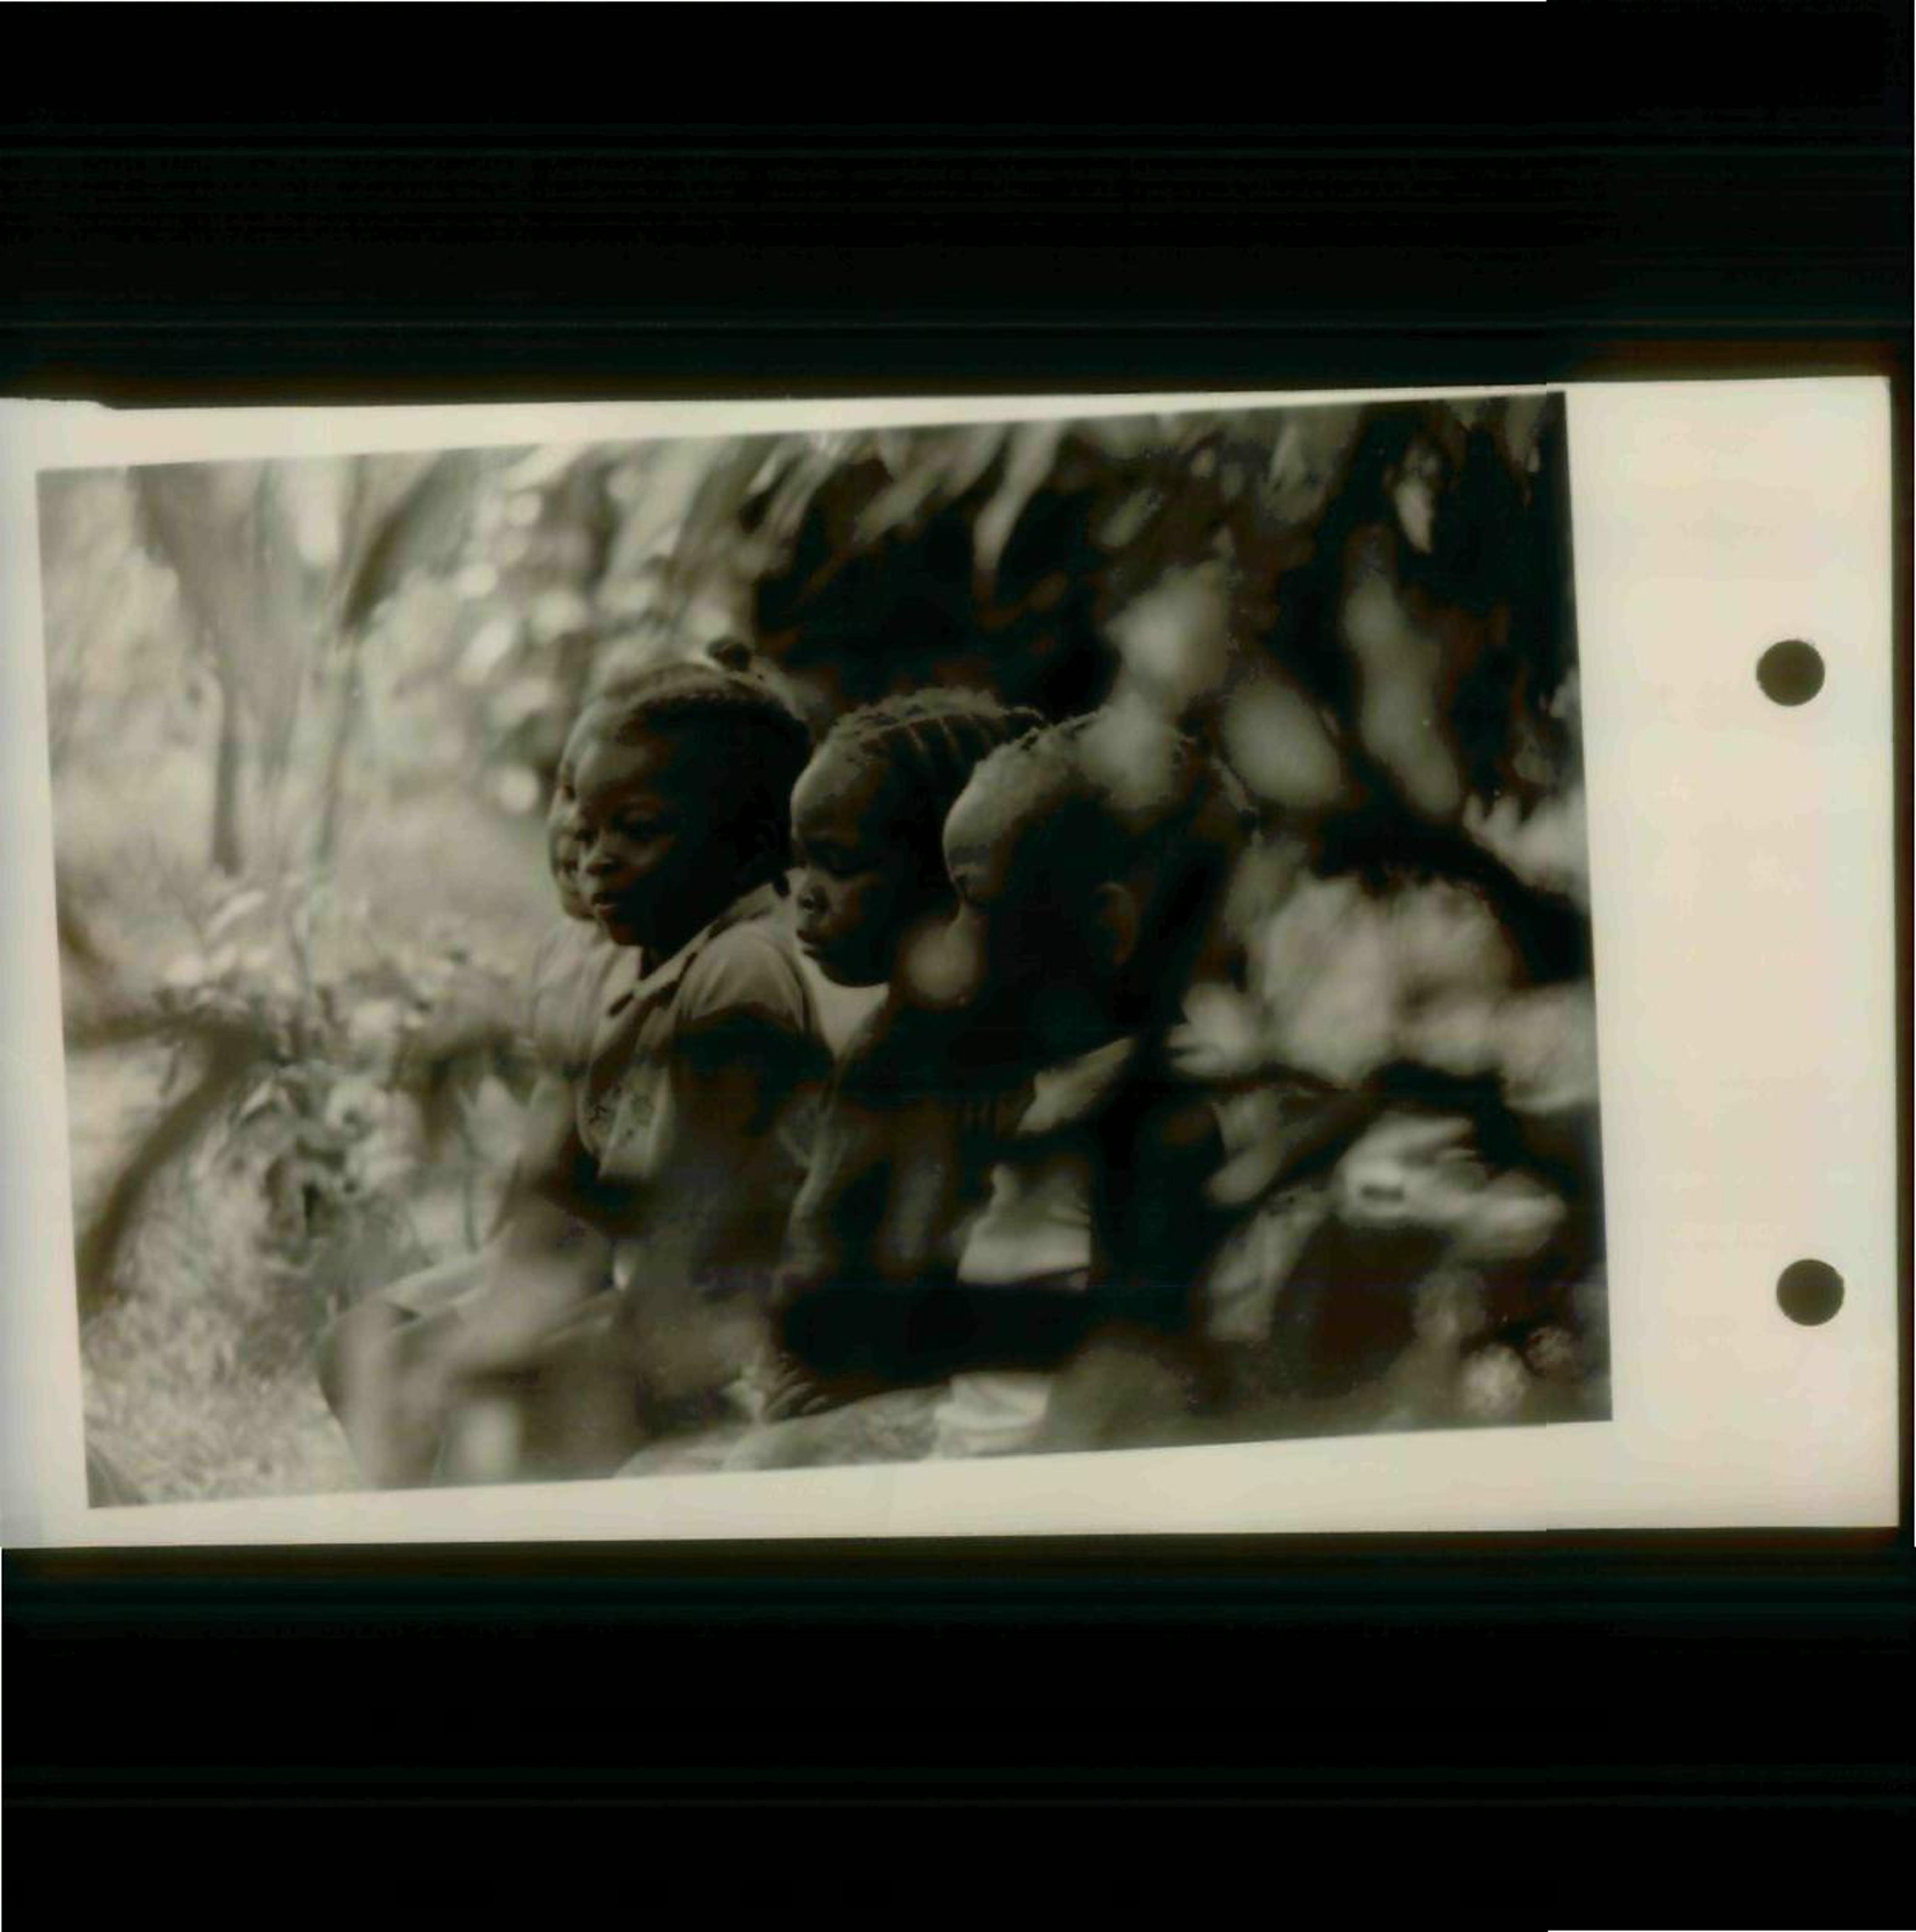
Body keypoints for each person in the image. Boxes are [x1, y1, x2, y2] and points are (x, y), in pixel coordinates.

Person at [336, 663, 832, 1486]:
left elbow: (693, 1230)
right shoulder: (640, 954)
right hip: (652, 1286)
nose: (595, 856)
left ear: (749, 846)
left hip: (737, 1319)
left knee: (484, 1403)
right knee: (384, 1362)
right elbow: (562, 1199)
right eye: (588, 823)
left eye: (634, 829)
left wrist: (520, 1340)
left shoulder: (741, 970)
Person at [890, 700, 1254, 1461]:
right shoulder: (1079, 1080)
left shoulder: (1156, 1112)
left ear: (1108, 928)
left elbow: (1129, 1389)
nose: (948, 944)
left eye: (975, 903)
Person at [316, 700, 623, 1487]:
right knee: (348, 1345)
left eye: (620, 815)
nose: (578, 829)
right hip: (543, 1245)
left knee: (421, 1372)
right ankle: (415, 1518)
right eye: (568, 794)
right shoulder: (567, 950)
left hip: (597, 1262)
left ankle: (450, 1523)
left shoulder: (668, 973)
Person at [748, 690, 1044, 1427]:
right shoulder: (907, 1042)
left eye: (842, 865)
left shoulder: (927, 1056)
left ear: (950, 874)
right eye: (802, 864)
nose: (806, 897)